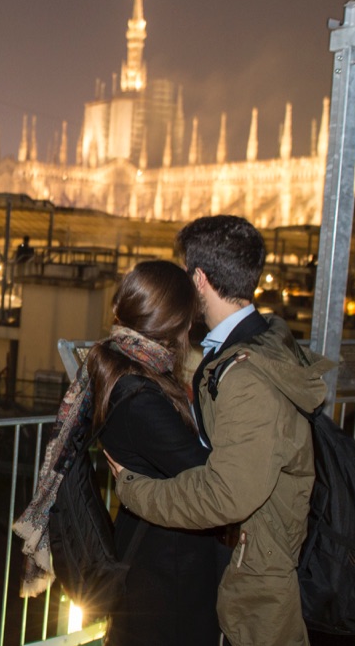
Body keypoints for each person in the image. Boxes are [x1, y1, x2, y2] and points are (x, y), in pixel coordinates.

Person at [105, 216, 334, 646]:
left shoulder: (246, 377)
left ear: (199, 279)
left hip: (256, 579)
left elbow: (224, 494)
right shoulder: (258, 342)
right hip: (248, 559)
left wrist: (133, 489)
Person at [93, 260, 222, 644]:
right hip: (166, 571)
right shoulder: (139, 396)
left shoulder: (126, 364)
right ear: (175, 324)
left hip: (153, 555)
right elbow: (207, 475)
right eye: (188, 320)